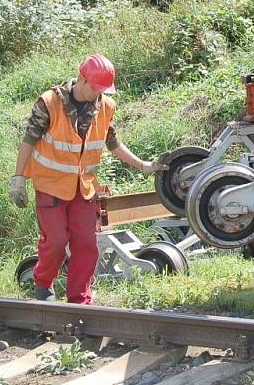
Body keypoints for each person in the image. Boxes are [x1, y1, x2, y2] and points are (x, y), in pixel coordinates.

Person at [9, 54, 167, 304]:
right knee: (57, 241)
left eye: (103, 90)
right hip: (50, 185)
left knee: (87, 245)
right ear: (82, 79)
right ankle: (43, 285)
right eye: (96, 88)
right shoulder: (49, 103)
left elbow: (112, 142)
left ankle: (79, 300)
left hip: (83, 188)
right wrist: (18, 179)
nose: (99, 94)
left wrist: (143, 166)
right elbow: (28, 140)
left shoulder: (105, 106)